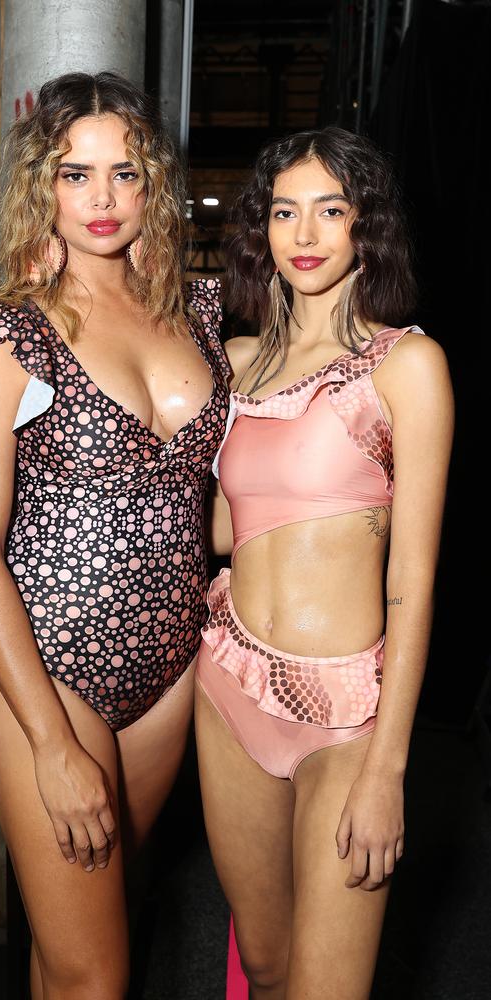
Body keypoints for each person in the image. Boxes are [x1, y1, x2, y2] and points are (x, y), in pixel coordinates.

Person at [0, 72, 229, 999]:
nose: (102, 199)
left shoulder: (202, 311)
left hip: (170, 669)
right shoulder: (9, 331)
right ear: (45, 188)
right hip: (49, 666)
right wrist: (49, 744)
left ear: (157, 184)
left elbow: (219, 490)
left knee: (88, 932)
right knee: (96, 976)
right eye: (77, 174)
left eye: (126, 172)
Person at [195, 127, 454, 999]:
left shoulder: (407, 365)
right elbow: (230, 531)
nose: (304, 234)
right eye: (283, 212)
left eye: (330, 211)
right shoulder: (229, 367)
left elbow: (413, 581)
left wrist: (388, 768)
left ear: (364, 225)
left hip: (346, 713)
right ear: (260, 231)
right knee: (263, 968)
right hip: (227, 677)